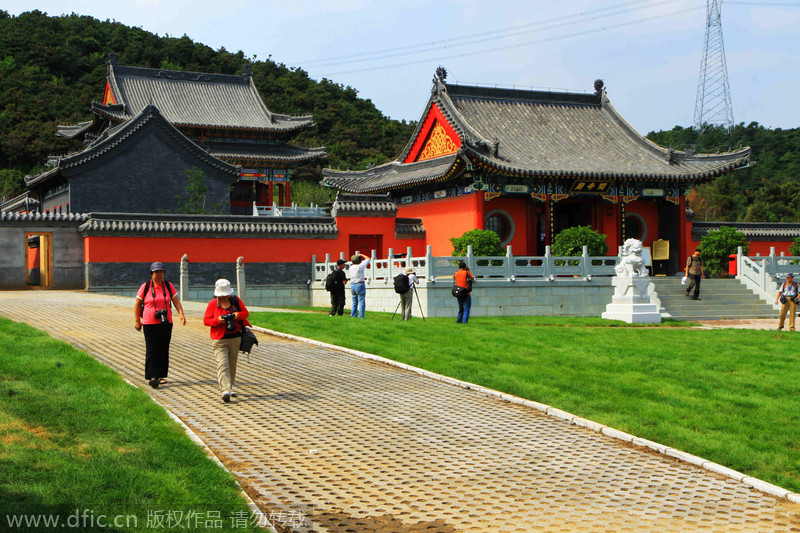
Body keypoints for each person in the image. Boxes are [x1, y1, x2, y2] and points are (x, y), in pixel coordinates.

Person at [134, 261, 186, 389]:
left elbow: (176, 302)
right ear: (151, 274)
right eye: (156, 272)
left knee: (163, 349)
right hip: (149, 323)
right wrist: (137, 321)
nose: (159, 275)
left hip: (165, 322)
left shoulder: (168, 286)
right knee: (152, 349)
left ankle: (161, 375)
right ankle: (152, 376)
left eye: (161, 272)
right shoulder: (145, 286)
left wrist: (181, 314)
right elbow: (137, 304)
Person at [203, 279, 250, 403]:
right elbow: (206, 321)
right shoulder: (213, 304)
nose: (224, 296)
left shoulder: (235, 301)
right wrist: (218, 320)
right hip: (219, 339)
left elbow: (246, 313)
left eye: (226, 294)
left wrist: (237, 315)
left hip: (235, 337)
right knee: (222, 364)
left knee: (232, 364)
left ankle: (230, 386)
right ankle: (225, 390)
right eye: (222, 294)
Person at [348, 253, 370, 318]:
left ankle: (353, 315)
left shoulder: (351, 267)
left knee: (354, 302)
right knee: (361, 301)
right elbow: (368, 259)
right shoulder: (360, 266)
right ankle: (361, 316)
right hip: (360, 284)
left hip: (352, 285)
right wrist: (362, 255)